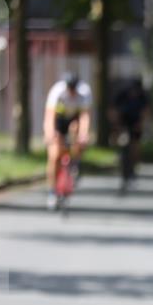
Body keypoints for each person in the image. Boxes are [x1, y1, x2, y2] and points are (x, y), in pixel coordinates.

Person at [43, 73, 92, 209]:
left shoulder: (84, 92)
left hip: (73, 119)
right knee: (54, 155)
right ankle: (52, 192)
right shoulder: (57, 91)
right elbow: (49, 117)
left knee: (78, 133)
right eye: (69, 89)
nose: (71, 92)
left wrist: (84, 134)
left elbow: (84, 117)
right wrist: (49, 134)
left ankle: (75, 163)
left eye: (73, 89)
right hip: (59, 119)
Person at [110, 79, 149, 187]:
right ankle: (122, 167)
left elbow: (146, 111)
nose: (134, 93)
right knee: (122, 145)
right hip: (123, 122)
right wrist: (116, 126)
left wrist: (140, 124)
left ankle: (133, 169)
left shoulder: (143, 96)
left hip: (135, 123)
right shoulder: (121, 95)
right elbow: (113, 111)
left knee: (135, 147)